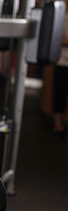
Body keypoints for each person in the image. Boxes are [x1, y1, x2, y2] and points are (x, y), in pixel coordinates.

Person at [52, 0, 68, 138]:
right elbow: (58, 38)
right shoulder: (63, 17)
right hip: (62, 62)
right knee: (59, 94)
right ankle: (58, 125)